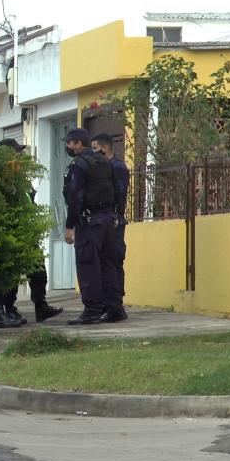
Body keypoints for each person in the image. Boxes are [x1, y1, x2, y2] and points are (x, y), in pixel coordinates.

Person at [0, 138, 63, 328]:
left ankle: (38, 306)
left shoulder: (19, 176)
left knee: (37, 269)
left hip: (25, 232)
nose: (19, 156)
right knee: (4, 275)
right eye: (15, 152)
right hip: (4, 233)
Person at [62, 128, 121, 325]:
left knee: (88, 265)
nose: (68, 147)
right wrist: (117, 215)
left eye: (69, 143)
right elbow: (117, 191)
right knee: (108, 265)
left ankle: (93, 310)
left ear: (78, 143)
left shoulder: (80, 165)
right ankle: (114, 307)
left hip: (90, 222)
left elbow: (75, 196)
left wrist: (70, 226)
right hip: (108, 221)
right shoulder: (105, 161)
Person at [91, 133, 129, 322]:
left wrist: (115, 216)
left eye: (95, 148)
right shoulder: (103, 167)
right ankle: (107, 304)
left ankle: (115, 306)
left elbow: (120, 195)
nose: (93, 152)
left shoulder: (117, 167)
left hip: (114, 221)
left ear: (104, 148)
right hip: (105, 222)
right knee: (104, 263)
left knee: (112, 262)